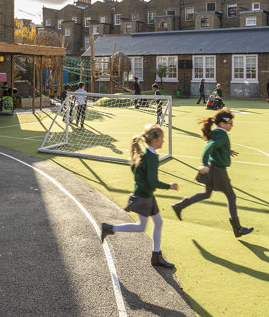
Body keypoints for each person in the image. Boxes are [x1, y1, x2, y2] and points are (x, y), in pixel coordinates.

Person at [100, 123, 179, 268]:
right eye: (162, 138)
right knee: (142, 226)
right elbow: (152, 181)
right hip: (144, 196)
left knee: (157, 223)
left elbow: (134, 169)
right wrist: (169, 186)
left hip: (145, 194)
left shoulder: (146, 153)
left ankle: (156, 255)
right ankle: (109, 228)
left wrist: (141, 181)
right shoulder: (151, 157)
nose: (163, 141)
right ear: (155, 140)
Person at [171, 110, 254, 237]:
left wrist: (227, 151)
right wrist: (204, 164)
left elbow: (215, 146)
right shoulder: (222, 135)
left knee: (206, 193)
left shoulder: (216, 132)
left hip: (212, 168)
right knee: (231, 196)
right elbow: (209, 147)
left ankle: (180, 205)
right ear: (222, 123)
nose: (232, 125)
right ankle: (238, 229)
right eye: (230, 123)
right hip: (218, 171)